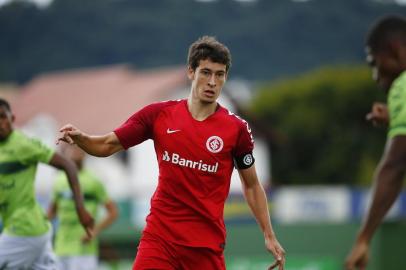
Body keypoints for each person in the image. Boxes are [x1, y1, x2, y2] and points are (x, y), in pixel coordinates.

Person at [57, 36, 285, 270]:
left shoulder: (236, 129)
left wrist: (268, 234)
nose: (212, 82)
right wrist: (82, 139)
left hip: (205, 247)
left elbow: (252, 185)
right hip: (160, 239)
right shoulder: (158, 115)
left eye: (220, 74)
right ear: (190, 72)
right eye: (206, 72)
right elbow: (107, 144)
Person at [0, 98, 94, 269]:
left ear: (12, 119)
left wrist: (80, 209)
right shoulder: (57, 183)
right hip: (39, 229)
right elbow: (54, 207)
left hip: (24, 228)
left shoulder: (23, 144)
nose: (1, 123)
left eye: (3, 117)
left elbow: (68, 165)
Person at [345, 15, 406, 270]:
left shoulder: (402, 86)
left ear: (396, 50)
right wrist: (395, 119)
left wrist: (363, 239)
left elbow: (395, 165)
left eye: (373, 62)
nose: (374, 74)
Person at [47, 144, 118, 270]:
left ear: (85, 153)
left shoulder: (94, 181)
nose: (76, 151)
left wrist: (94, 231)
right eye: (72, 148)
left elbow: (113, 212)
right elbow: (51, 212)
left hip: (84, 249)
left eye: (79, 148)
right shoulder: (58, 181)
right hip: (60, 247)